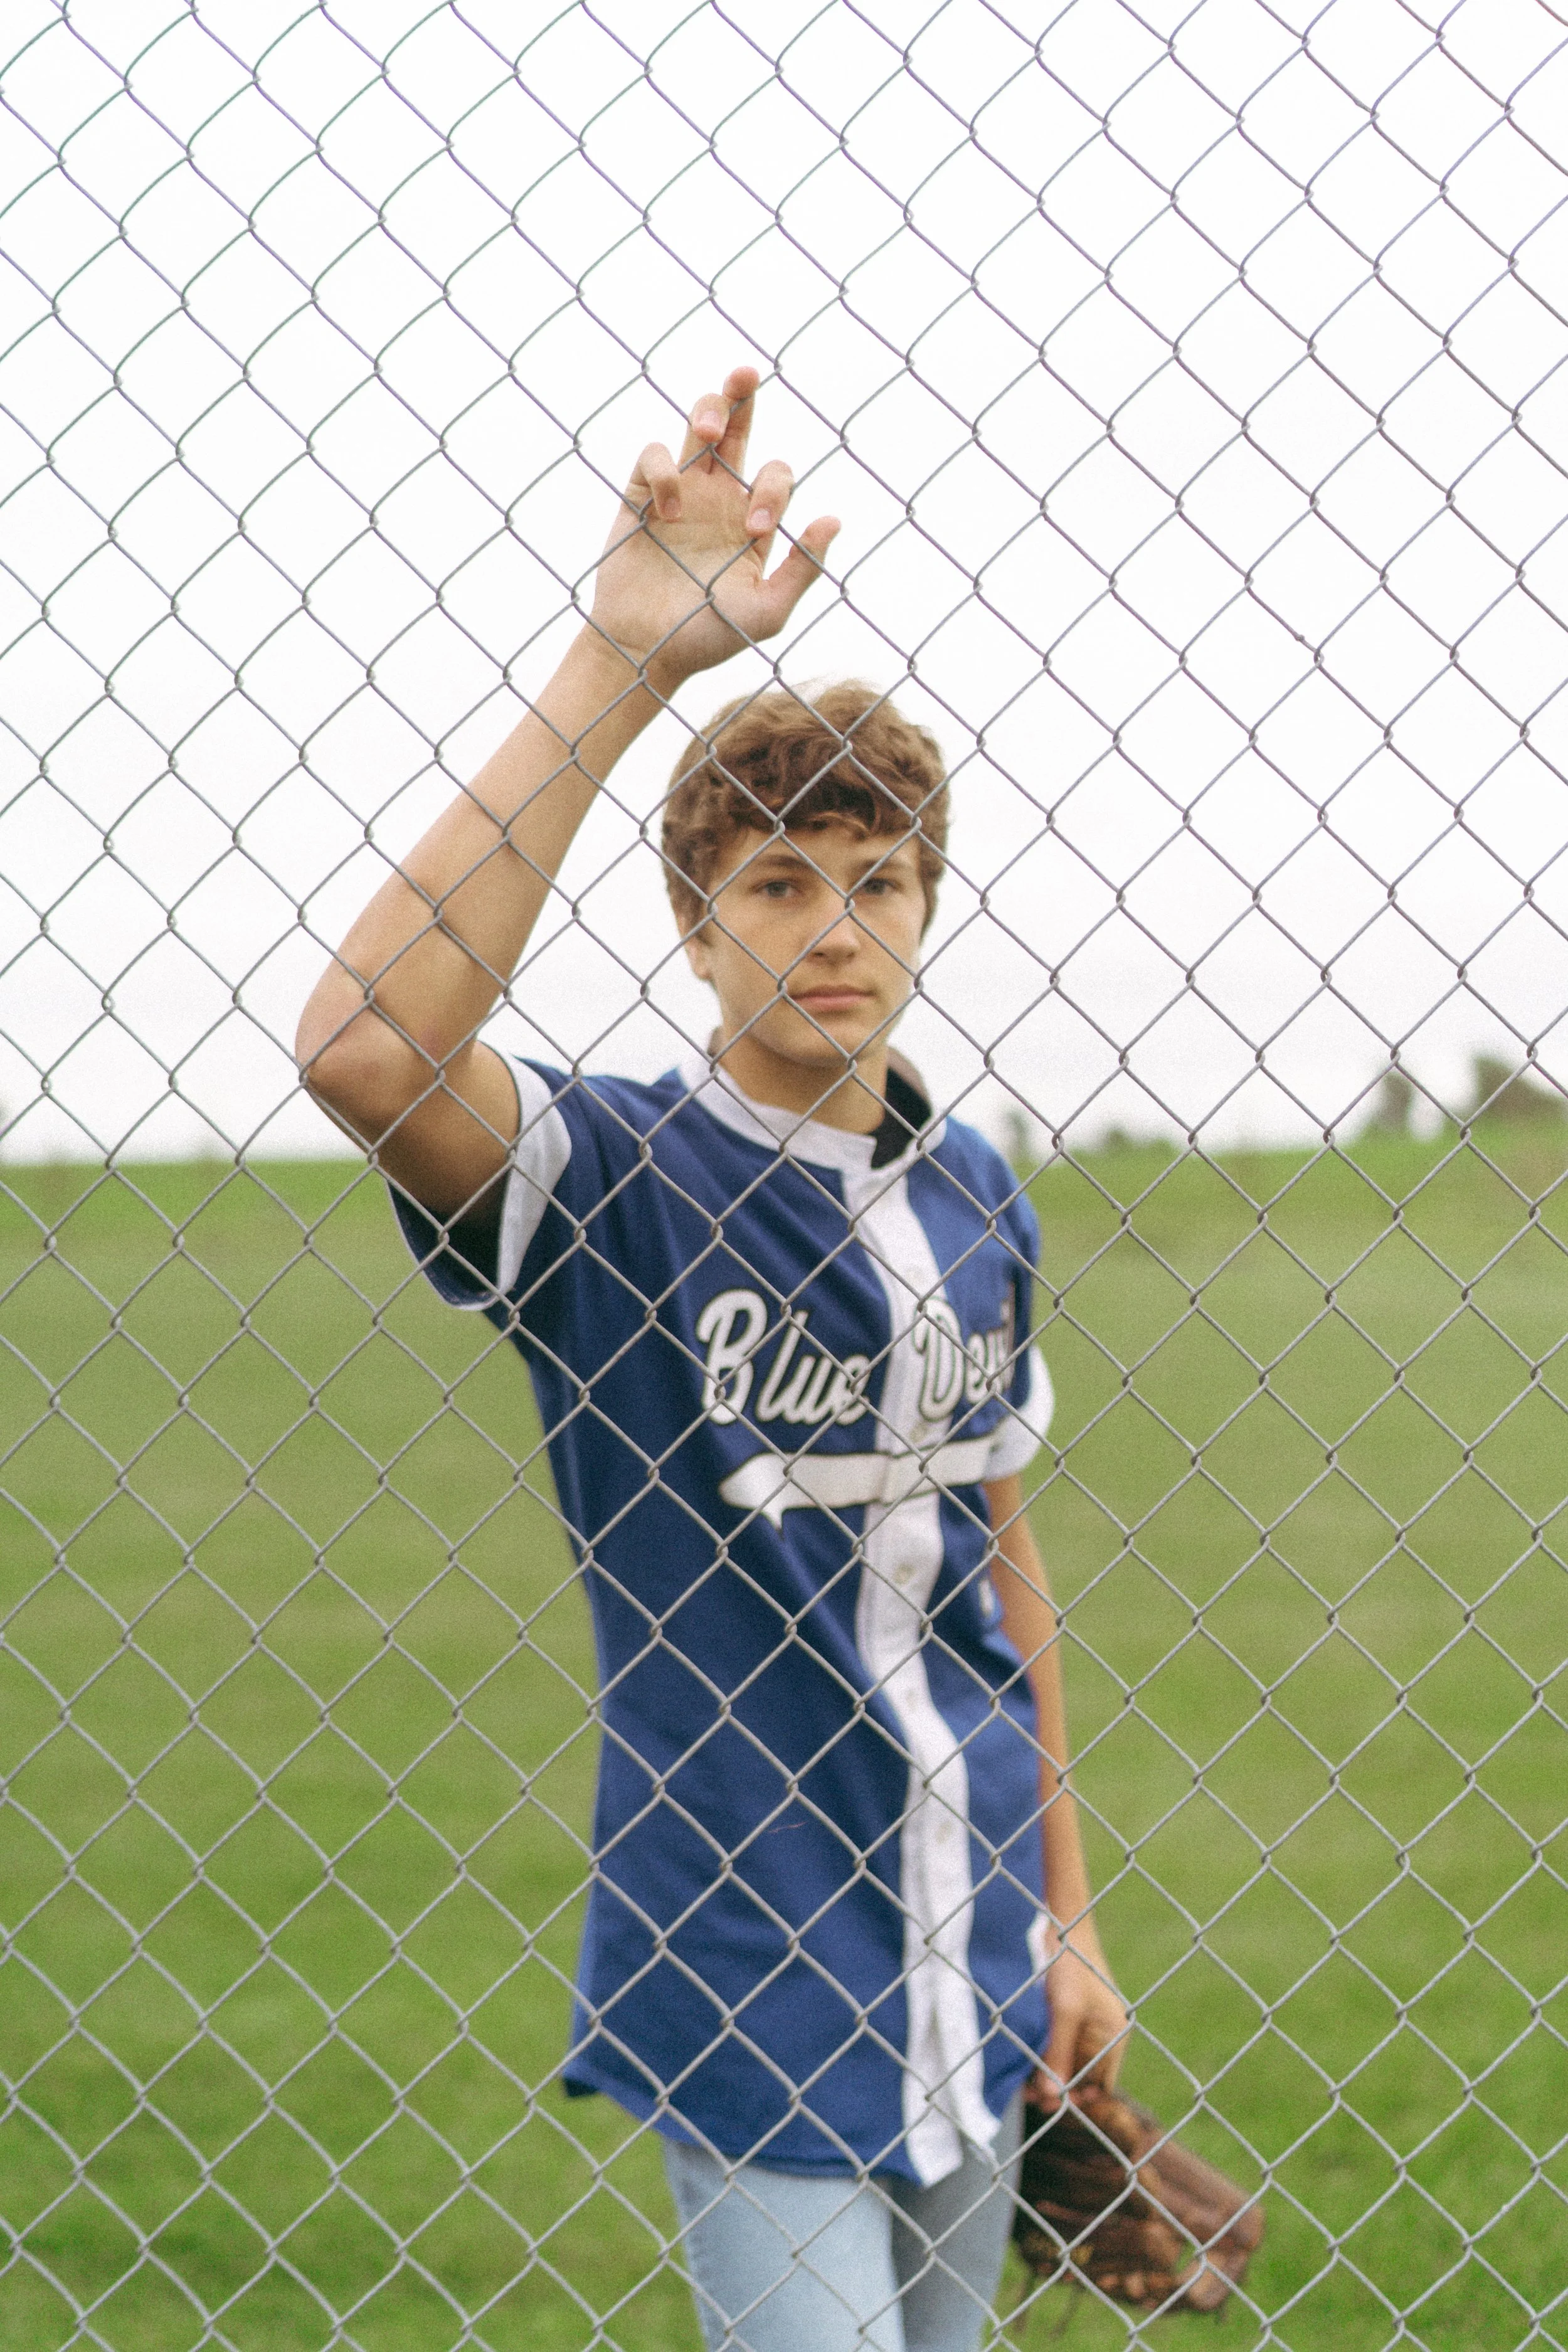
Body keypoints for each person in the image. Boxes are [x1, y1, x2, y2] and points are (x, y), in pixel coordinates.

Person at [296, 367, 1128, 2352]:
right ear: (693, 922)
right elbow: (364, 1050)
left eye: (875, 880)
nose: (830, 925)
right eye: (773, 881)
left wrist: (1067, 1911)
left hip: (970, 1929)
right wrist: (617, 660)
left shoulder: (973, 1188)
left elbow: (996, 1558)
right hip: (746, 1944)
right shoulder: (618, 1179)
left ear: (924, 907)